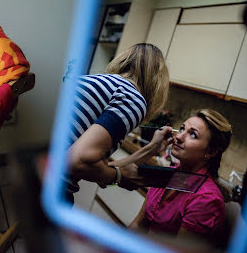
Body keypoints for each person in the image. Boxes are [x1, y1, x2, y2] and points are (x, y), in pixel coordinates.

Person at [66, 43, 170, 202]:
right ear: (158, 82)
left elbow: (99, 169)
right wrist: (119, 178)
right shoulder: (132, 98)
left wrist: (151, 149)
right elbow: (78, 162)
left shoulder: (99, 83)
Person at [129, 109, 232, 246]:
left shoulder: (206, 199)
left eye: (193, 135)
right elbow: (138, 225)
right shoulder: (166, 175)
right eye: (182, 128)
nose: (179, 137)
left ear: (211, 152)